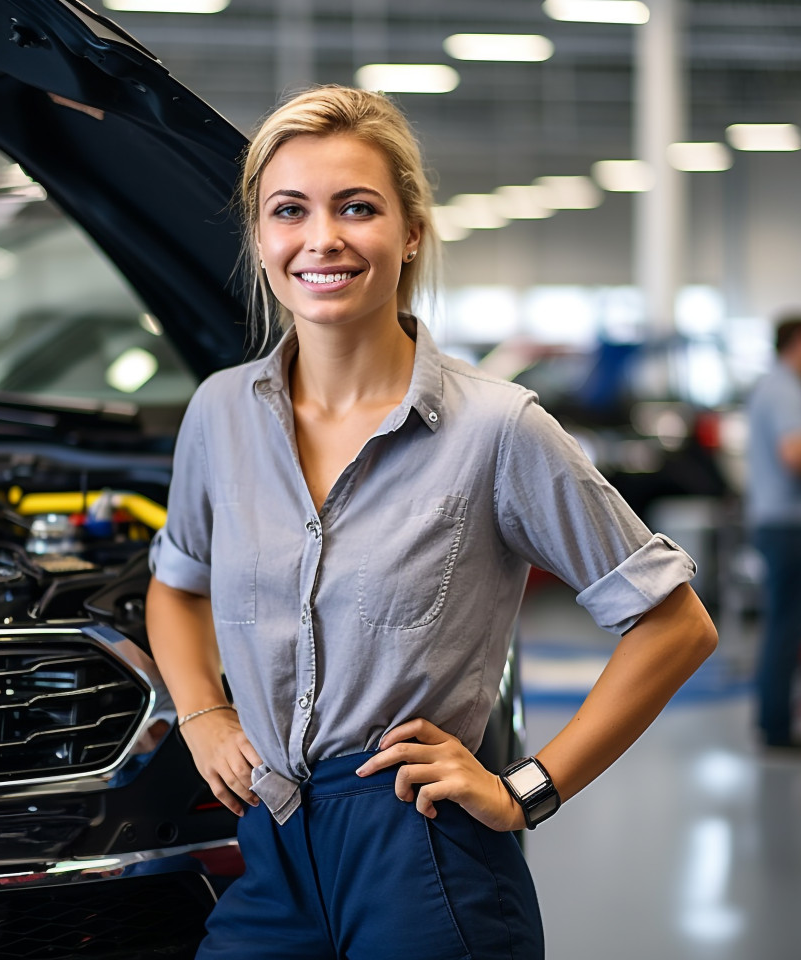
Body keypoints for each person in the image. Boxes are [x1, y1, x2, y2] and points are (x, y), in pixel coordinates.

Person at [145, 85, 717, 959]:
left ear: (411, 231)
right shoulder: (220, 414)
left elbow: (675, 625)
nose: (322, 238)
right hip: (270, 843)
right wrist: (202, 715)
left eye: (358, 207)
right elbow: (175, 584)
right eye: (289, 210)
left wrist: (528, 789)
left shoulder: (498, 429)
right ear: (261, 238)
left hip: (425, 851)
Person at [746, 313, 801, 749]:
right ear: (799, 343)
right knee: (788, 626)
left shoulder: (782, 388)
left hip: (782, 523)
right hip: (788, 526)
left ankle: (774, 722)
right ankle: (777, 729)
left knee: (785, 624)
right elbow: (797, 455)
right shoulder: (785, 390)